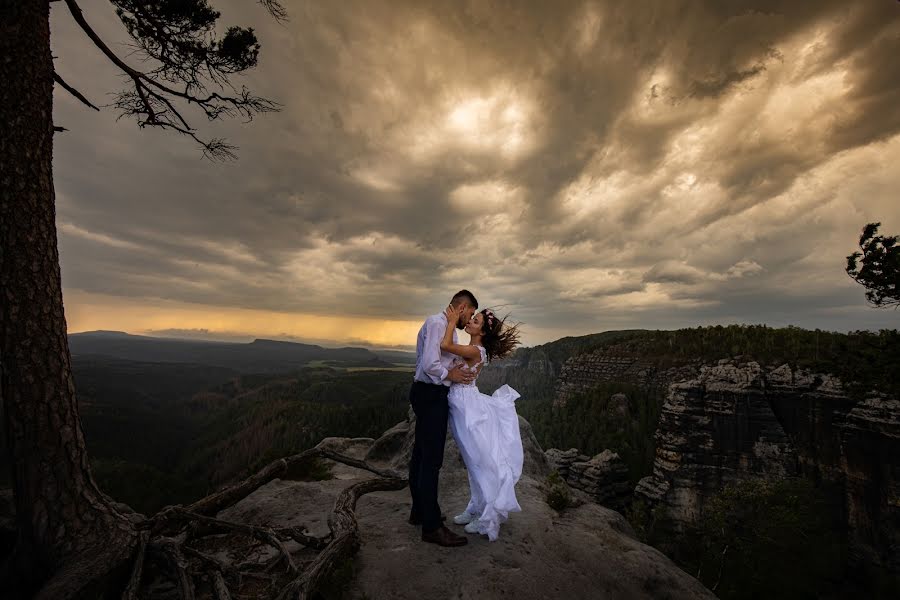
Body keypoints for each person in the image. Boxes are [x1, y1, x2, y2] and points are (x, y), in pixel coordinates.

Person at [441, 304, 523, 541]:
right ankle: (475, 508)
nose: (469, 322)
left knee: (478, 463)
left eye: (474, 321)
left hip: (467, 409)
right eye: (471, 319)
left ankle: (488, 517)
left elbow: (445, 346)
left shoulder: (475, 350)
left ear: (482, 332)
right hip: (461, 405)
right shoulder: (475, 348)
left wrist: (450, 321)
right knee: (472, 462)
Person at [408, 290, 479, 547]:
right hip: (431, 394)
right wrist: (453, 376)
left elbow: (442, 359)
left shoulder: (446, 327)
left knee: (420, 455)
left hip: (427, 393)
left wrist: (455, 368)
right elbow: (430, 364)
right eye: (470, 313)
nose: (469, 319)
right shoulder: (438, 323)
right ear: (462, 307)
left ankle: (420, 511)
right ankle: (432, 526)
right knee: (431, 461)